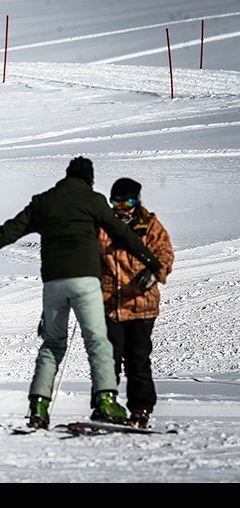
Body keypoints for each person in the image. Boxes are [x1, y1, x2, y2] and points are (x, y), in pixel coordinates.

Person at [0, 156, 163, 430]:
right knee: (98, 342)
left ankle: (39, 406)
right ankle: (105, 401)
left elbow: (9, 231)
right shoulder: (93, 200)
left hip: (54, 283)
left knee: (52, 344)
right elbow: (121, 234)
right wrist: (150, 261)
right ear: (89, 179)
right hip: (86, 282)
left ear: (65, 176)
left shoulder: (43, 202)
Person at [99, 177, 174, 429]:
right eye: (116, 203)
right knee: (107, 358)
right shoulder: (102, 225)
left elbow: (165, 254)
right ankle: (105, 405)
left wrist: (154, 271)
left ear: (137, 201)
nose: (122, 209)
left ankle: (140, 409)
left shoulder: (149, 225)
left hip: (141, 304)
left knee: (137, 359)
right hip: (109, 304)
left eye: (127, 203)